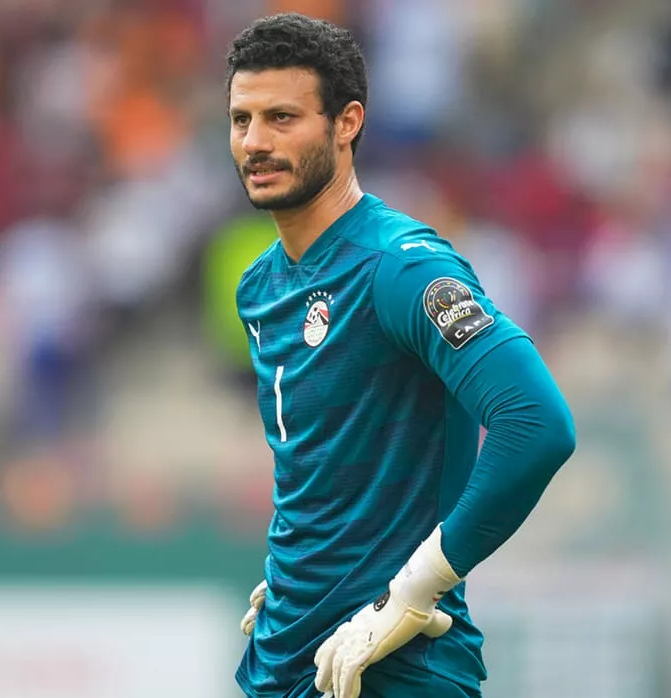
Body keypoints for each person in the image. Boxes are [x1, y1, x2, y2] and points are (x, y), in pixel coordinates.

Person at [228, 14, 576, 698]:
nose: (256, 142)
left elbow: (536, 423)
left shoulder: (399, 267)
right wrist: (297, 569)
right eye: (242, 119)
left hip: (395, 667)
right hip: (288, 658)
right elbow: (329, 461)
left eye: (282, 118)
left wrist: (415, 588)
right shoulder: (259, 287)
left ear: (347, 123)